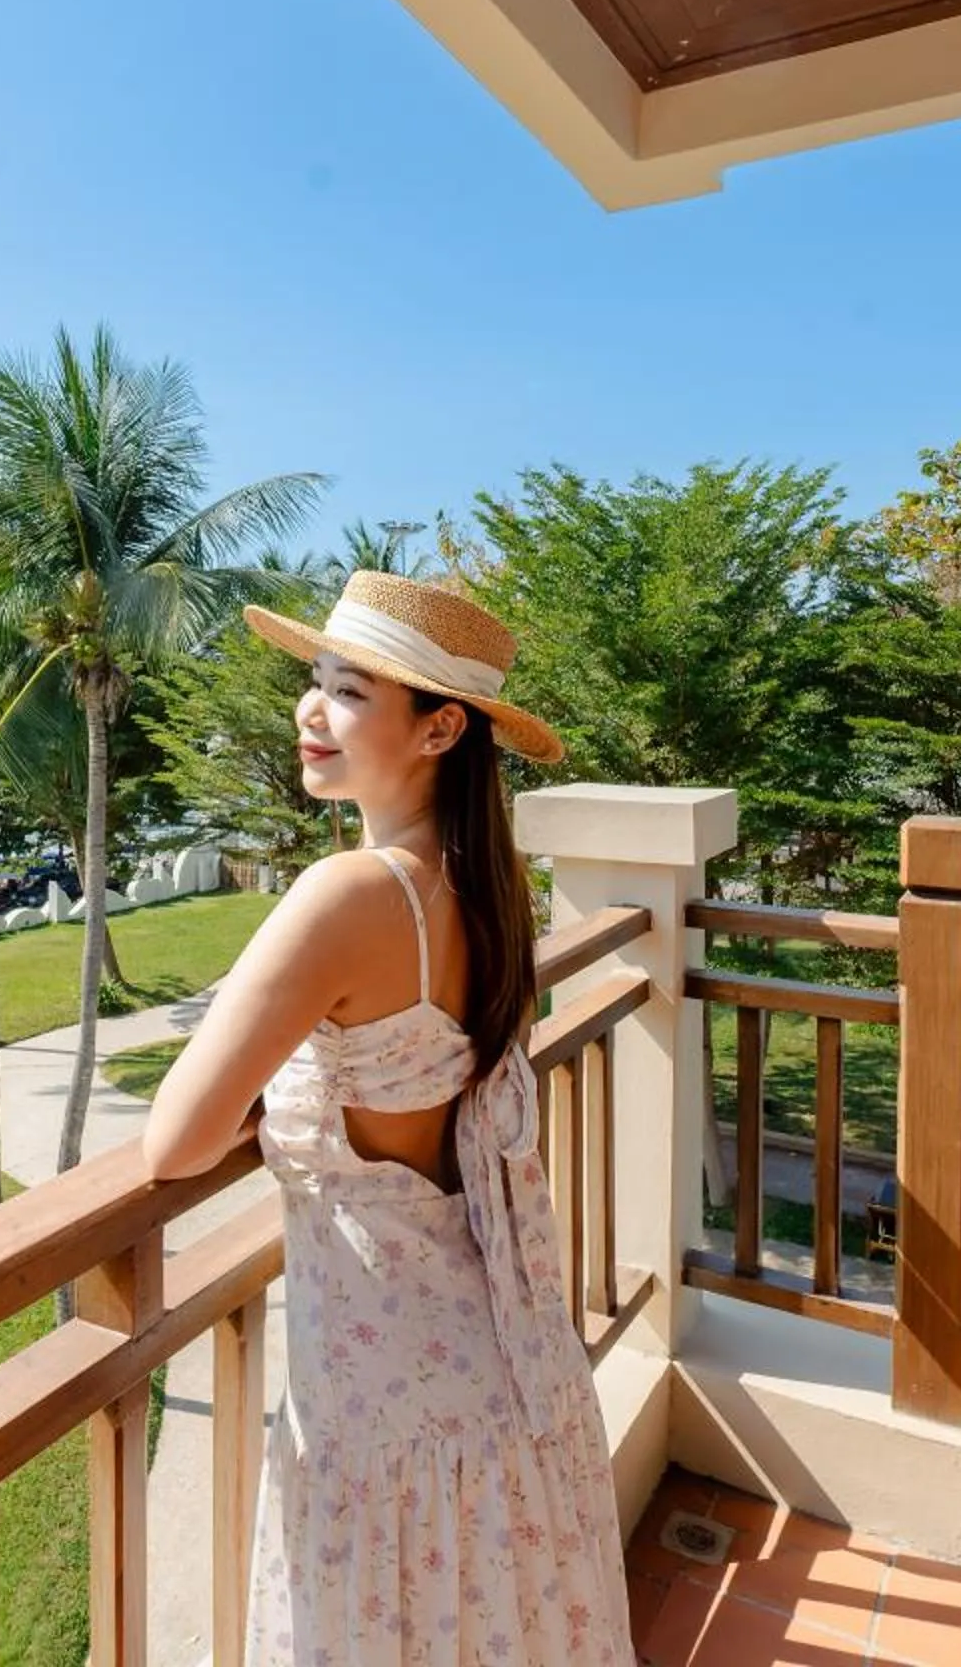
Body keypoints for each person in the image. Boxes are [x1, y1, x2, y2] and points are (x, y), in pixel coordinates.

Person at [143, 571, 631, 1662]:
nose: (310, 710)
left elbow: (172, 1139)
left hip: (386, 1406)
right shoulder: (483, 882)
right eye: (316, 681)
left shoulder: (349, 895)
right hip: (490, 1369)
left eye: (350, 690)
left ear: (439, 727)